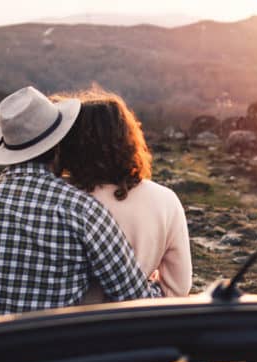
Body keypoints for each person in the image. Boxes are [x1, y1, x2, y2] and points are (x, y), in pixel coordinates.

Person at [0, 86, 161, 328]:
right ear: (58, 146)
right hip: (34, 356)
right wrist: (155, 283)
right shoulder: (82, 210)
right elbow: (135, 299)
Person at [52, 88, 192, 301]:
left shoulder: (57, 197)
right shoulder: (165, 200)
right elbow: (178, 288)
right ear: (129, 139)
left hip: (68, 325)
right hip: (128, 323)